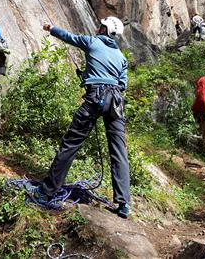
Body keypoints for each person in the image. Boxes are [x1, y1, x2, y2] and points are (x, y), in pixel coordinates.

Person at [30, 17, 131, 219]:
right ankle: (124, 203)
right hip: (116, 104)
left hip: (96, 98)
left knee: (71, 143)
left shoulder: (92, 42)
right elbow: (122, 84)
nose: (97, 27)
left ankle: (46, 192)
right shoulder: (121, 57)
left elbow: (70, 37)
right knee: (119, 151)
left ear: (103, 29)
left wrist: (52, 28)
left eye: (100, 26)